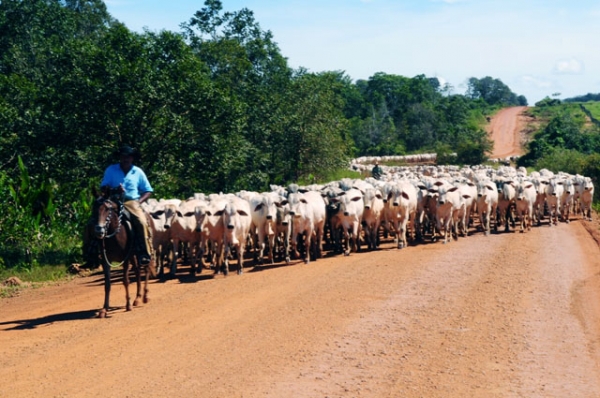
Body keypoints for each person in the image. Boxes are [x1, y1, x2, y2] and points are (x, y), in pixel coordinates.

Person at [99, 145, 154, 266]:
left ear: (132, 159)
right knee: (96, 219)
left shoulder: (138, 172)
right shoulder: (111, 170)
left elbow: (148, 190)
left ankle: (144, 252)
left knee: (141, 222)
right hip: (112, 199)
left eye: (128, 157)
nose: (126, 159)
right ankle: (92, 253)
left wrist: (139, 202)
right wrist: (113, 189)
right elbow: (103, 186)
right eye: (124, 157)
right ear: (120, 157)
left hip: (131, 202)